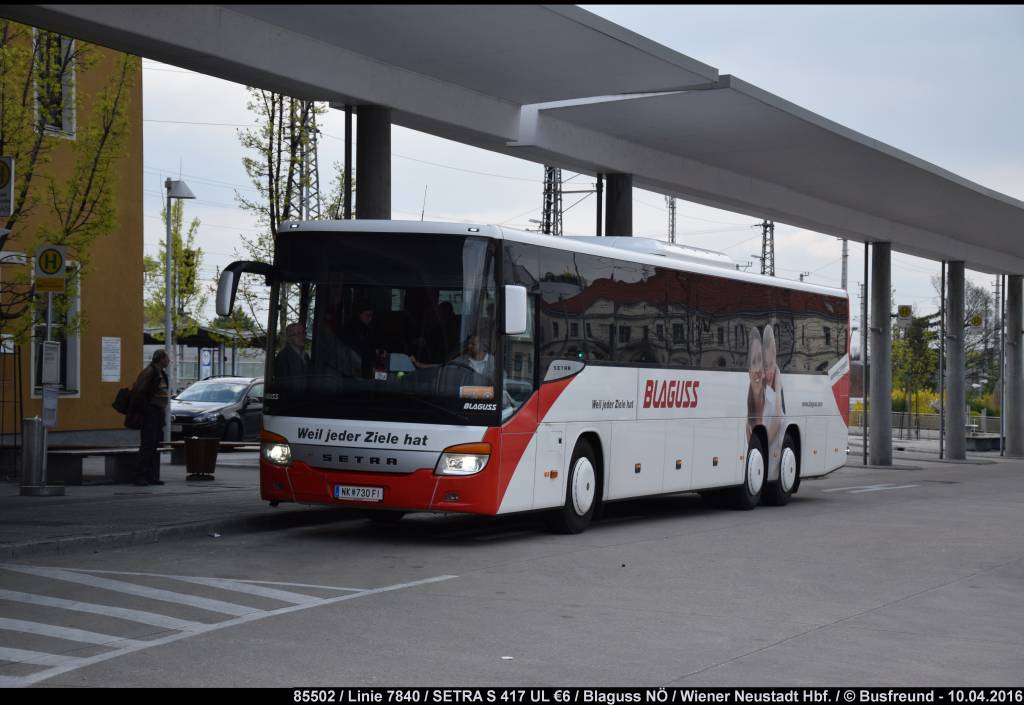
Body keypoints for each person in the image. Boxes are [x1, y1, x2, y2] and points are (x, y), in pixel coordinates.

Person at [129, 349, 170, 486]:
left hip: (158, 412)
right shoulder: (149, 372)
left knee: (154, 446)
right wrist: (147, 411)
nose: (168, 361)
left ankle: (151, 476)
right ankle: (139, 475)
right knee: (147, 445)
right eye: (166, 358)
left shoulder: (161, 373)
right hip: (151, 412)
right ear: (160, 359)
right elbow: (139, 393)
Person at [762, 324, 786, 470]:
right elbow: (776, 423)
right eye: (765, 365)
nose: (768, 372)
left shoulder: (773, 396)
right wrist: (777, 388)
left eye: (771, 365)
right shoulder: (766, 395)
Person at [342, 300, 379, 378]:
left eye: (371, 315)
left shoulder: (368, 329)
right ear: (359, 314)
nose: (370, 318)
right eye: (367, 315)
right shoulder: (351, 330)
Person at [746, 330, 765, 446]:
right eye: (754, 362)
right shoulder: (747, 425)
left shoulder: (772, 404)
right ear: (749, 372)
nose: (757, 369)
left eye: (760, 360)